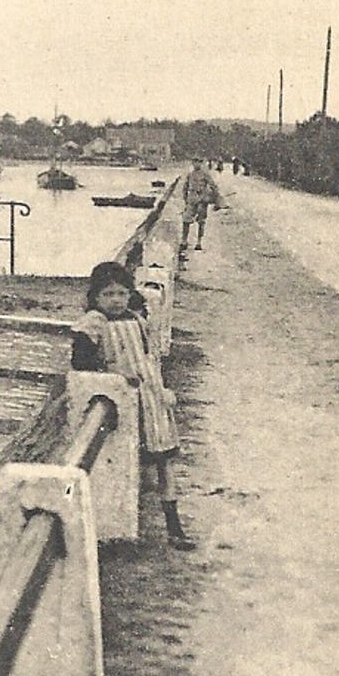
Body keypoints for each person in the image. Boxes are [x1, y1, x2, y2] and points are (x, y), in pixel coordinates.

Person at [70, 262, 195, 550]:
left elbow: (148, 360)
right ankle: (111, 529)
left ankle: (174, 527)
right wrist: (112, 376)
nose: (116, 300)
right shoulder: (92, 323)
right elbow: (81, 365)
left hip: (150, 398)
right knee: (119, 458)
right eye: (108, 294)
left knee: (165, 460)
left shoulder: (137, 321)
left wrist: (162, 390)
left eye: (122, 293)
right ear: (96, 297)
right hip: (123, 400)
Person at [181, 156, 221, 250]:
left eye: (198, 162)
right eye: (195, 162)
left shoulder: (205, 174)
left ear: (201, 163)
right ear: (192, 163)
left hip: (202, 201)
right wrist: (185, 199)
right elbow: (185, 187)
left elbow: (213, 186)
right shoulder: (190, 175)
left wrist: (216, 198)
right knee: (186, 220)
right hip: (191, 200)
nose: (196, 164)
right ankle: (184, 241)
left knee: (201, 222)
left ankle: (199, 242)